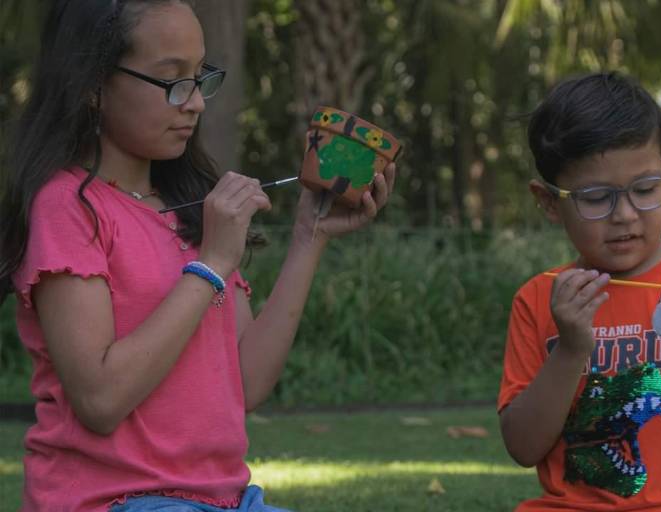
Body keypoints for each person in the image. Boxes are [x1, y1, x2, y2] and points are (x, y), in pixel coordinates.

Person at [0, 0, 395, 510]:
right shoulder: (68, 206)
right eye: (173, 81)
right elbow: (100, 401)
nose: (196, 104)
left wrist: (308, 237)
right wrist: (210, 266)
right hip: (111, 499)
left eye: (200, 77)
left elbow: (246, 382)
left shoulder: (191, 208)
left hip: (225, 498)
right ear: (93, 85)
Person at [498, 72, 661, 511]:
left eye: (645, 189)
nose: (624, 214)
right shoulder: (540, 299)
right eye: (595, 197)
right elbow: (523, 448)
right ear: (549, 202)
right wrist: (568, 353)